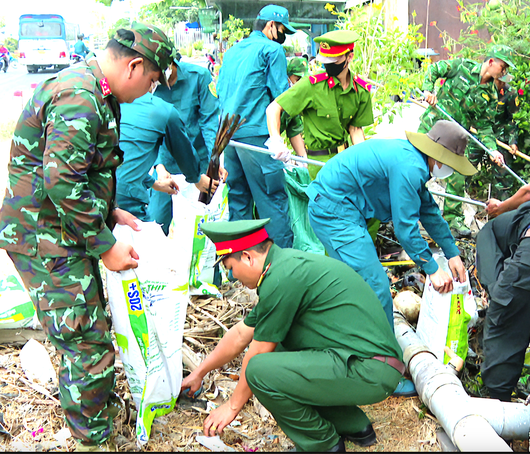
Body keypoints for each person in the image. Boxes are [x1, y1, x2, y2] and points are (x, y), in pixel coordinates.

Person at [0, 21, 176, 452]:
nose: (149, 91)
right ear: (133, 66)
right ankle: (92, 442)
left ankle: (96, 419)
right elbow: (60, 182)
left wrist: (108, 210)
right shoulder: (81, 95)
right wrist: (105, 245)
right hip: (43, 236)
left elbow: (75, 170)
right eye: (151, 81)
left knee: (89, 331)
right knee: (86, 343)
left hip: (60, 229)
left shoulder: (94, 90)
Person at [181, 219, 403, 452]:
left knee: (260, 370)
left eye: (231, 268)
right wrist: (199, 373)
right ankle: (352, 424)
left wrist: (231, 407)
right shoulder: (283, 267)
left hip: (371, 370)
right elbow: (239, 334)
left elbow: (257, 353)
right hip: (371, 364)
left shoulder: (281, 278)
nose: (233, 277)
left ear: (247, 257)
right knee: (280, 353)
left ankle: (322, 444)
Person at [307, 120, 475, 396]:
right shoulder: (410, 167)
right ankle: (384, 371)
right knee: (375, 288)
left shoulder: (413, 161)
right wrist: (432, 268)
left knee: (360, 284)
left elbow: (429, 211)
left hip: (345, 209)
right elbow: (406, 228)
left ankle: (356, 349)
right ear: (439, 156)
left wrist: (452, 252)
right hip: (333, 209)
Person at [216, 4, 296, 248]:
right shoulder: (272, 50)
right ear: (271, 26)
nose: (284, 36)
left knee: (239, 200)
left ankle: (239, 265)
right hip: (257, 137)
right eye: (283, 29)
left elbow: (220, 91)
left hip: (228, 137)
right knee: (272, 201)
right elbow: (281, 97)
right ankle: (283, 265)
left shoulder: (231, 52)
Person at [418, 45, 516, 237]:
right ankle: (410, 211)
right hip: (433, 126)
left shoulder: (491, 95)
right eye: (503, 67)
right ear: (491, 62)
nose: (504, 72)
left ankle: (453, 220)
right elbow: (434, 70)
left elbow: (485, 127)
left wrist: (492, 150)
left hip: (455, 137)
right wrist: (429, 91)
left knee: (457, 176)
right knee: (416, 167)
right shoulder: (461, 66)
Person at [267, 30, 374, 180]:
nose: (328, 65)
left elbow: (355, 130)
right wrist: (276, 141)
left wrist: (364, 163)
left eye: (334, 61)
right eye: (325, 60)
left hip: (346, 161)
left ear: (350, 56)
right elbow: (274, 108)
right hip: (318, 165)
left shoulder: (360, 91)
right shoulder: (312, 86)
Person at [149, 57, 221, 233]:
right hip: (165, 166)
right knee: (158, 222)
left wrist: (215, 159)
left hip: (199, 162)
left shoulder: (199, 76)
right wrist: (159, 166)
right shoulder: (149, 86)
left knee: (199, 225)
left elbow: (209, 122)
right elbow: (149, 131)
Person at [117, 92, 215, 221]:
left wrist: (213, 157)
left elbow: (127, 163)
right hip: (125, 200)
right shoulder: (160, 109)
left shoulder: (116, 103)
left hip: (115, 197)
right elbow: (183, 151)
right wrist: (196, 177)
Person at [476, 201, 530, 402]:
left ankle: (499, 404)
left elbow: (527, 191)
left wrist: (500, 207)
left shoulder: (489, 232)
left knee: (503, 323)